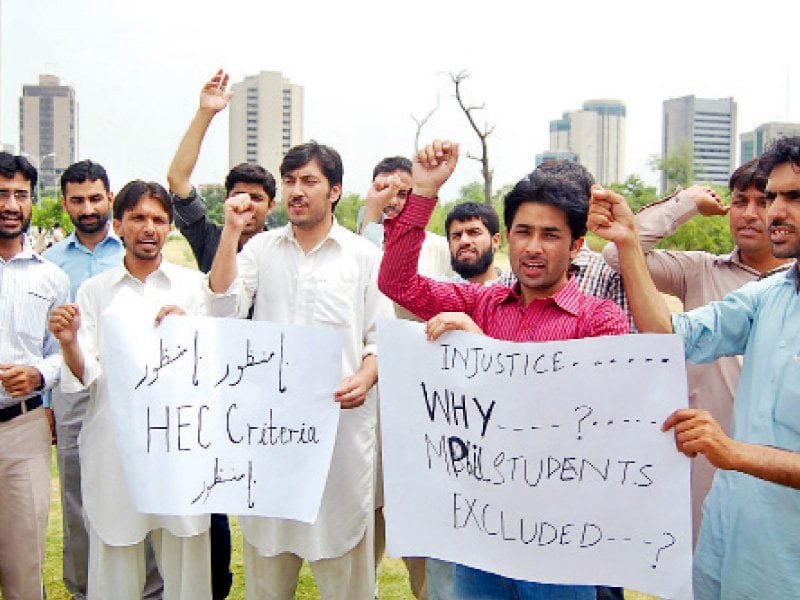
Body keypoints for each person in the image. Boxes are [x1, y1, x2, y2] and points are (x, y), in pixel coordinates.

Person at [379, 140, 629, 599]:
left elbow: (593, 425)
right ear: (506, 236)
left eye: (550, 235)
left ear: (576, 245)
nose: (533, 248)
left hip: (562, 541)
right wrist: (425, 193)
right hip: (482, 534)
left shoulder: (600, 321)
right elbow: (396, 283)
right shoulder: (484, 301)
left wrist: (485, 352)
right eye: (523, 231)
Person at [588, 135, 800, 599]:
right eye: (772, 197)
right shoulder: (771, 295)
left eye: (792, 197)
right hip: (728, 527)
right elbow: (670, 333)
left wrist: (733, 453)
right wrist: (626, 239)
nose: (773, 212)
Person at [208, 141, 395, 599]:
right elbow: (221, 308)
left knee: (345, 569)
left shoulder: (364, 257)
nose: (296, 191)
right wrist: (231, 233)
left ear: (334, 190)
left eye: (308, 181)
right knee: (269, 566)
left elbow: (380, 340)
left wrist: (366, 376)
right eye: (289, 181)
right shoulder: (260, 251)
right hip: (271, 435)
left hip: (340, 434)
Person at [49, 180, 223, 600]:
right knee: (114, 559)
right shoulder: (95, 292)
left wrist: (190, 331)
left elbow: (216, 371)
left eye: (159, 220)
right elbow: (86, 375)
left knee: (186, 568)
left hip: (180, 448)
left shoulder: (193, 287)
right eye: (139, 218)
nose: (149, 228)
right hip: (115, 446)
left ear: (170, 228)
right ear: (120, 224)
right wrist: (70, 341)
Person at [43, 160, 167, 600]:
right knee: (79, 496)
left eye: (95, 198)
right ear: (65, 205)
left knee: (144, 494)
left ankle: (151, 588)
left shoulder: (136, 246)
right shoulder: (50, 264)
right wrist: (46, 404)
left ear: (110, 201)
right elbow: (53, 340)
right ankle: (84, 588)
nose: (87, 207)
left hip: (143, 395)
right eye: (77, 200)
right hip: (75, 392)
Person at [0, 151, 69, 600]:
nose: (10, 204)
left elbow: (63, 353)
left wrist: (40, 375)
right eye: (1, 194)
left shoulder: (52, 278)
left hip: (21, 429)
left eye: (20, 195)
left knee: (24, 567)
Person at [167, 69, 277, 273]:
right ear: (226, 199)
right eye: (239, 195)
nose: (247, 204)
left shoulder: (282, 249)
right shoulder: (209, 238)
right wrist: (205, 113)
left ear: (271, 206)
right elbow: (177, 179)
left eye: (257, 198)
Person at [359, 155, 453, 277]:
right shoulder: (353, 246)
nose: (392, 201)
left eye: (402, 194)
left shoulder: (441, 249)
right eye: (384, 192)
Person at [445, 201, 502, 284]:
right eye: (456, 235)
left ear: (495, 241)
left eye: (474, 232)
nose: (463, 241)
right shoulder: (443, 292)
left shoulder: (517, 291)